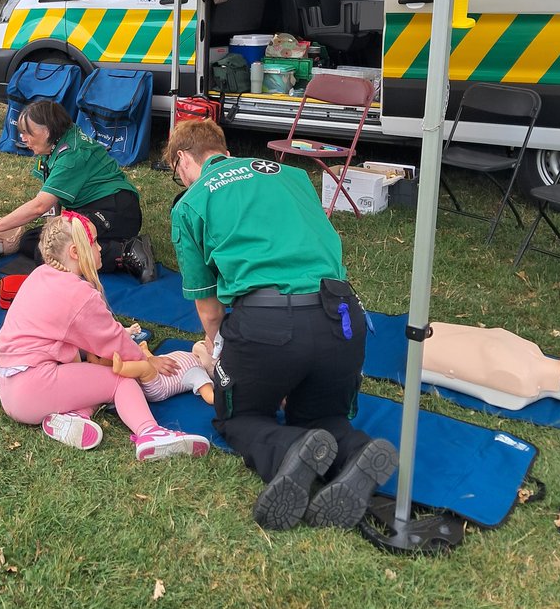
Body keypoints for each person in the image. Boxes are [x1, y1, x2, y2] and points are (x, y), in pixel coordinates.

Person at [164, 119, 398, 532]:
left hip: (269, 324)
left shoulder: (191, 203)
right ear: (222, 148)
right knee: (323, 417)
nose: (178, 177)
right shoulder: (291, 175)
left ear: (183, 158)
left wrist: (217, 352)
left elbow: (211, 312)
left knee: (238, 416)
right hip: (342, 319)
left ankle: (293, 449)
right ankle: (355, 449)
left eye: (174, 169)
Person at [0, 212, 210, 459]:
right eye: (95, 242)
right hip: (35, 388)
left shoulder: (41, 275)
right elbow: (114, 342)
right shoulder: (78, 294)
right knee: (120, 380)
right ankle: (150, 433)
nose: (100, 249)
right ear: (75, 252)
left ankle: (74, 417)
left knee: (94, 377)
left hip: (13, 389)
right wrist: (148, 360)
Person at [0, 100, 156, 283]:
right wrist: (53, 229)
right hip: (93, 209)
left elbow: (39, 206)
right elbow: (51, 200)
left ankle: (125, 252)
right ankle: (110, 247)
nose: (22, 137)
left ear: (47, 131)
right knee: (32, 241)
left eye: (27, 132)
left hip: (116, 211)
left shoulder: (71, 156)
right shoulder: (57, 142)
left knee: (50, 254)